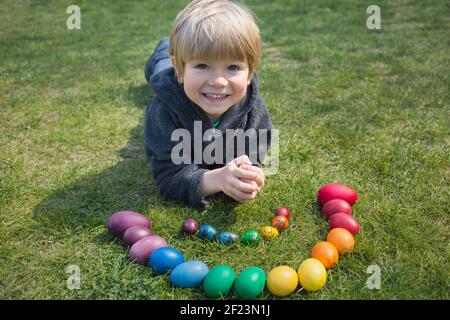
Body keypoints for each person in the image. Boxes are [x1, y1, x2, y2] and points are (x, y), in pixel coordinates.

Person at [144, 0, 272, 208]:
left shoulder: (253, 109)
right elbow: (168, 176)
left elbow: (253, 154)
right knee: (159, 68)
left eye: (232, 67)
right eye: (202, 65)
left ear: (250, 72)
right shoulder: (163, 110)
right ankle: (163, 49)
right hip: (167, 73)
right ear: (180, 67)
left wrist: (247, 172)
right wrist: (216, 180)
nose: (218, 81)